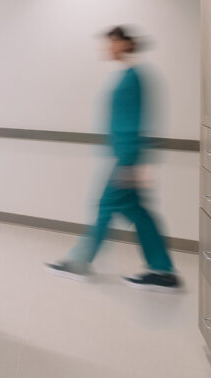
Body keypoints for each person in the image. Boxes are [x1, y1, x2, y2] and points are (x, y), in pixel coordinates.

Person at [46, 26, 181, 291]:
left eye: (111, 43)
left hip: (127, 159)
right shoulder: (130, 75)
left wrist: (131, 162)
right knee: (137, 212)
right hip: (128, 157)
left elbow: (134, 123)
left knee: (107, 206)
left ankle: (79, 262)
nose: (107, 48)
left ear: (124, 43)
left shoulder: (133, 77)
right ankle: (163, 270)